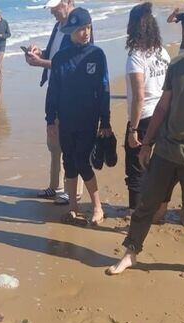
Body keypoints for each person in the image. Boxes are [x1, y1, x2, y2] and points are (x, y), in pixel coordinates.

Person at [108, 16, 184, 277]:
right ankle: (130, 254)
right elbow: (162, 106)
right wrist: (147, 144)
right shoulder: (176, 64)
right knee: (146, 203)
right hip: (166, 149)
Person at [45, 7, 111, 225]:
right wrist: (50, 119)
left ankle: (98, 207)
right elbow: (53, 89)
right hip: (65, 120)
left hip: (88, 120)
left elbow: (104, 89)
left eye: (88, 28)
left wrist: (105, 120)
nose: (86, 32)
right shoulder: (61, 58)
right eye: (81, 29)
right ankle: (73, 207)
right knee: (69, 162)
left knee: (83, 162)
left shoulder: (97, 55)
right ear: (71, 31)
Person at [25, 0, 85, 205]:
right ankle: (56, 185)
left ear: (68, 2)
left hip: (72, 93)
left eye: (55, 7)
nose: (52, 12)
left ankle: (73, 191)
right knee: (54, 141)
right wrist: (38, 53)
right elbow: (53, 55)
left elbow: (72, 61)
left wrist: (40, 63)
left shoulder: (80, 23)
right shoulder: (58, 26)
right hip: (56, 90)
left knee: (71, 142)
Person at [124, 2, 171, 220]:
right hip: (164, 115)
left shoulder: (136, 55)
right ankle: (159, 212)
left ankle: (135, 212)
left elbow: (139, 96)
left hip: (143, 118)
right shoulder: (162, 52)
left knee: (136, 167)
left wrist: (133, 129)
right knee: (161, 167)